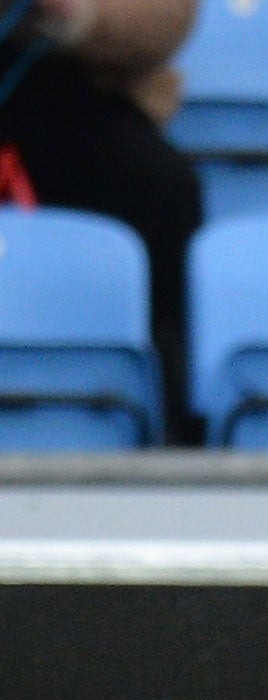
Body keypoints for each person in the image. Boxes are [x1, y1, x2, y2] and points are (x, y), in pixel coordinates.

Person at [0, 0, 202, 440]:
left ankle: (167, 423)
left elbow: (168, 18)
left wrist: (75, 16)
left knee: (160, 186)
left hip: (80, 86)